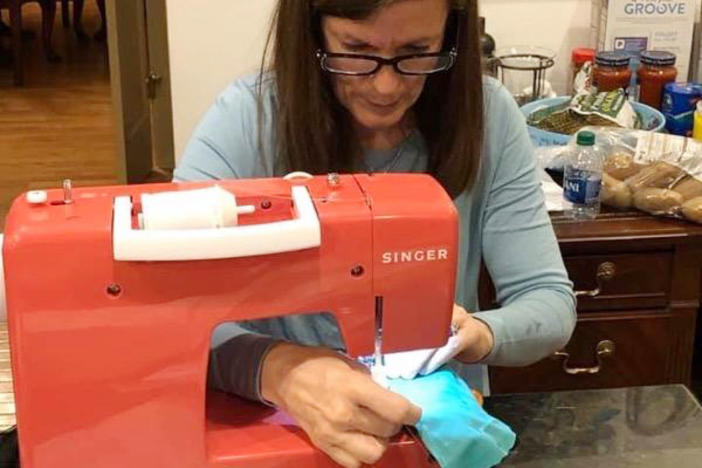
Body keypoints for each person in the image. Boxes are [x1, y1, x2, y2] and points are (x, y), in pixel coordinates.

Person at [174, 0, 576, 467]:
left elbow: (548, 300)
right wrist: (279, 369)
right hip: (284, 437)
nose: (386, 86)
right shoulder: (247, 120)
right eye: (356, 49)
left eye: (417, 51)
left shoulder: (488, 117)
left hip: (437, 437)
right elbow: (171, 318)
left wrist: (480, 333)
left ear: (452, 36)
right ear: (313, 32)